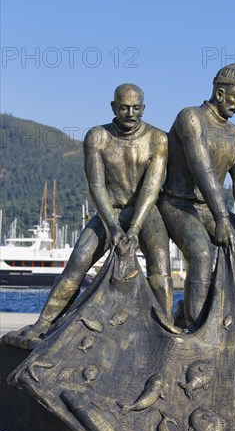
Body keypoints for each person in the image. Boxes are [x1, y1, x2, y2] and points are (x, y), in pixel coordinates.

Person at [19, 83, 173, 340]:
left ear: (144, 109)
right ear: (113, 107)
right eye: (124, 107)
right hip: (108, 211)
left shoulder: (157, 139)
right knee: (78, 261)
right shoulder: (97, 137)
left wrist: (134, 228)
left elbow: (151, 188)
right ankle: (44, 322)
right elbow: (96, 186)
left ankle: (167, 328)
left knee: (160, 265)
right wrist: (113, 227)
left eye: (136, 108)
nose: (130, 113)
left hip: (144, 212)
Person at [159, 64, 235, 330]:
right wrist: (222, 218)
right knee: (201, 255)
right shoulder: (190, 118)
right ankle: (197, 327)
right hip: (179, 203)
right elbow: (202, 170)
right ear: (220, 93)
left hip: (211, 209)